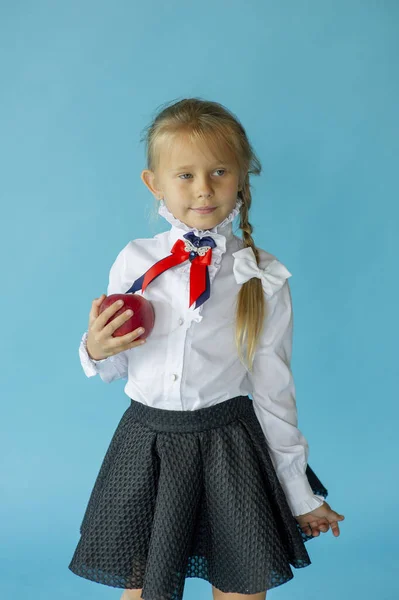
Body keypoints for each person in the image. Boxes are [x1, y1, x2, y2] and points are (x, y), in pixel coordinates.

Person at [68, 97, 345, 600]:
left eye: (219, 171)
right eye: (185, 175)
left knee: (241, 588)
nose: (203, 189)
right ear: (154, 184)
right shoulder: (134, 260)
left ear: (242, 178)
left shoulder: (262, 276)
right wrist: (96, 347)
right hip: (147, 448)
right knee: (143, 588)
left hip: (230, 450)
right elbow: (115, 360)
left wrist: (301, 494)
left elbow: (274, 392)